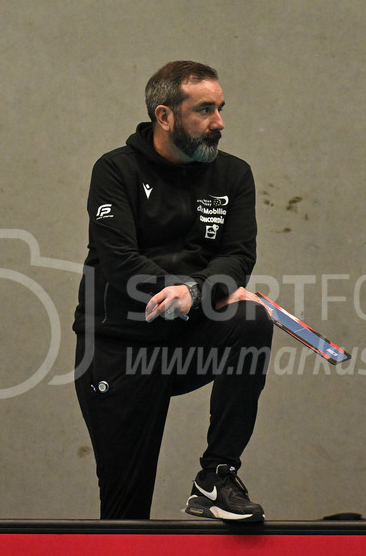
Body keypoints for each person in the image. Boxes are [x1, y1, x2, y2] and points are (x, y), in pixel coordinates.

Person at [72, 61, 273, 522]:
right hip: (120, 349)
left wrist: (200, 293)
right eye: (205, 110)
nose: (219, 122)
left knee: (251, 319)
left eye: (220, 108)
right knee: (125, 511)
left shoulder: (234, 176)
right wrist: (188, 290)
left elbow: (238, 256)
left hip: (187, 338)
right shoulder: (114, 170)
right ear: (165, 116)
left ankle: (216, 476)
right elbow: (120, 260)